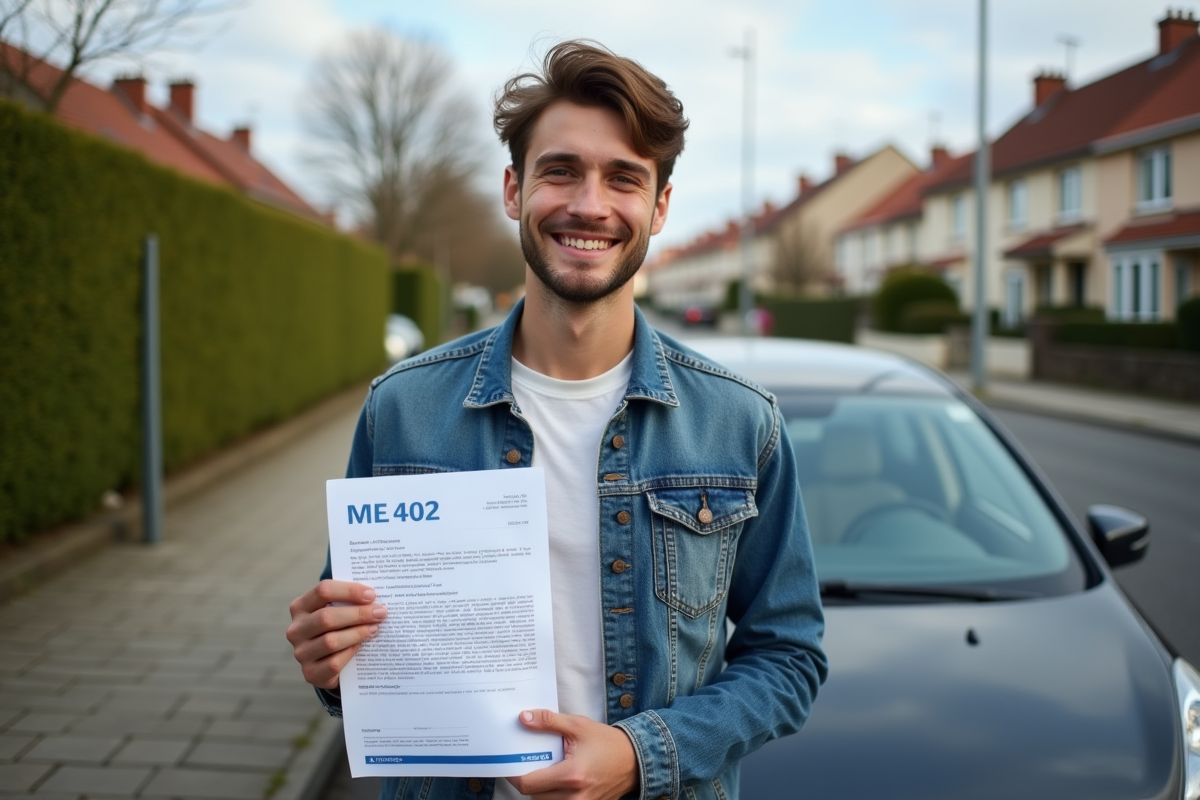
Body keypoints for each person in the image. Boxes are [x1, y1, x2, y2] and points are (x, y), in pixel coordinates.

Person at [286, 40, 826, 800]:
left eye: (624, 178)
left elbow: (790, 657)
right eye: (560, 170)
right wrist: (330, 665)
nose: (588, 205)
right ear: (515, 189)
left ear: (660, 207)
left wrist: (641, 755)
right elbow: (356, 652)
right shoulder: (403, 408)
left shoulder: (741, 423)